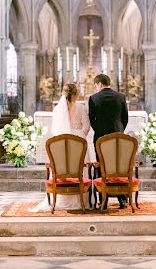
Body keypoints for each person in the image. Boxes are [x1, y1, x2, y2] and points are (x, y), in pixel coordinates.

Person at [31, 83, 94, 212]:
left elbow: (55, 130)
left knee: (62, 168)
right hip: (79, 143)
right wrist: (79, 137)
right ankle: (81, 201)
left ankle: (59, 199)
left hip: (60, 144)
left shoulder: (57, 109)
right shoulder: (81, 108)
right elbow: (87, 126)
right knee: (80, 169)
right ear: (76, 94)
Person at [88, 74, 128, 209]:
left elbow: (91, 120)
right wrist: (119, 131)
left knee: (101, 167)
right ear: (108, 83)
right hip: (118, 137)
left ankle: (103, 200)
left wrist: (100, 130)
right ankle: (122, 199)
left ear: (99, 84)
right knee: (118, 167)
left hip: (100, 138)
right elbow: (125, 118)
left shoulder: (93, 98)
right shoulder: (121, 97)